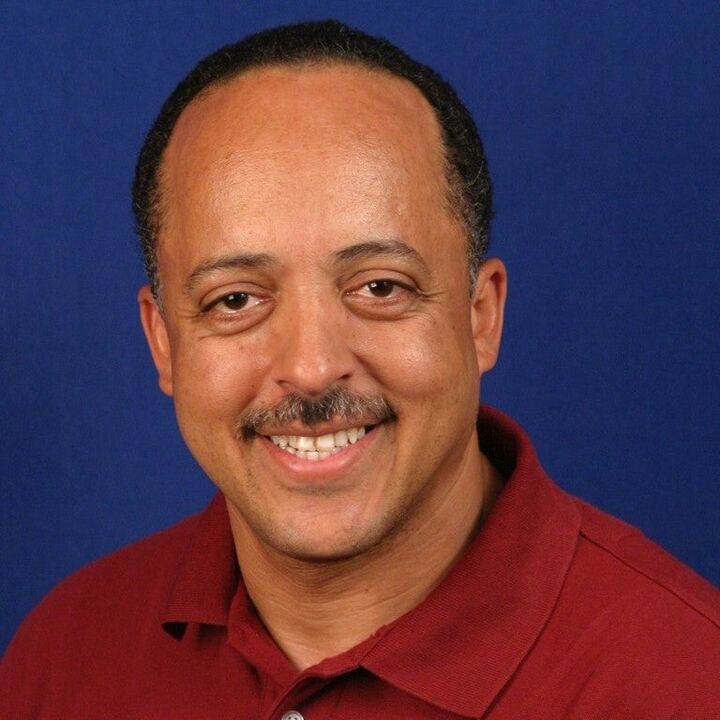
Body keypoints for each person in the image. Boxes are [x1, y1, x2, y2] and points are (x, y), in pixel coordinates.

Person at [1, 19, 718, 719]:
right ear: (163, 343)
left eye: (380, 287)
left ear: (481, 317)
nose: (312, 369)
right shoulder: (64, 656)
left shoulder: (685, 681)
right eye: (236, 299)